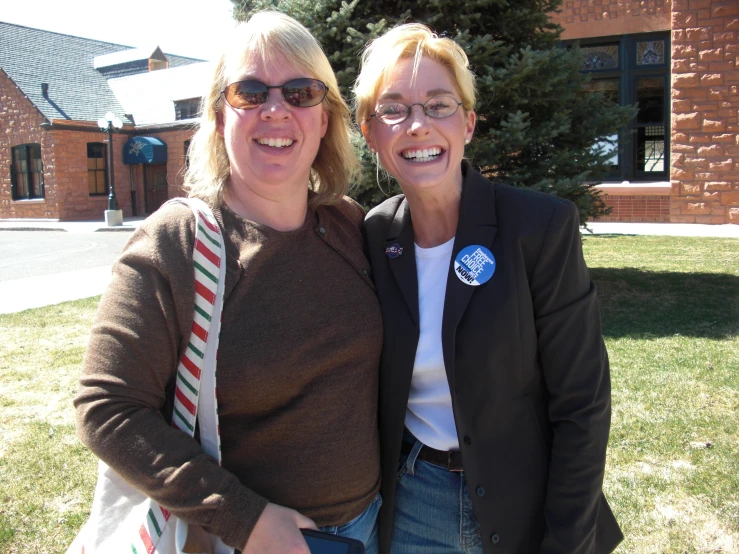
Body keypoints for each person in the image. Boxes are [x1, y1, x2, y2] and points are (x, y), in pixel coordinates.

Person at [75, 11, 382, 554]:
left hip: (372, 528)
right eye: (249, 91)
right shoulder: (179, 241)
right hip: (241, 542)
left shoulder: (350, 225)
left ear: (326, 118)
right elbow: (106, 406)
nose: (275, 109)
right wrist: (245, 520)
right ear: (219, 117)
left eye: (301, 92)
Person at [355, 23, 623, 553]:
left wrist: (567, 541)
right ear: (370, 133)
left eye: (438, 105)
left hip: (525, 502)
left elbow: (583, 405)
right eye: (394, 109)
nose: (417, 126)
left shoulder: (538, 227)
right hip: (412, 506)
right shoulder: (373, 235)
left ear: (469, 123)